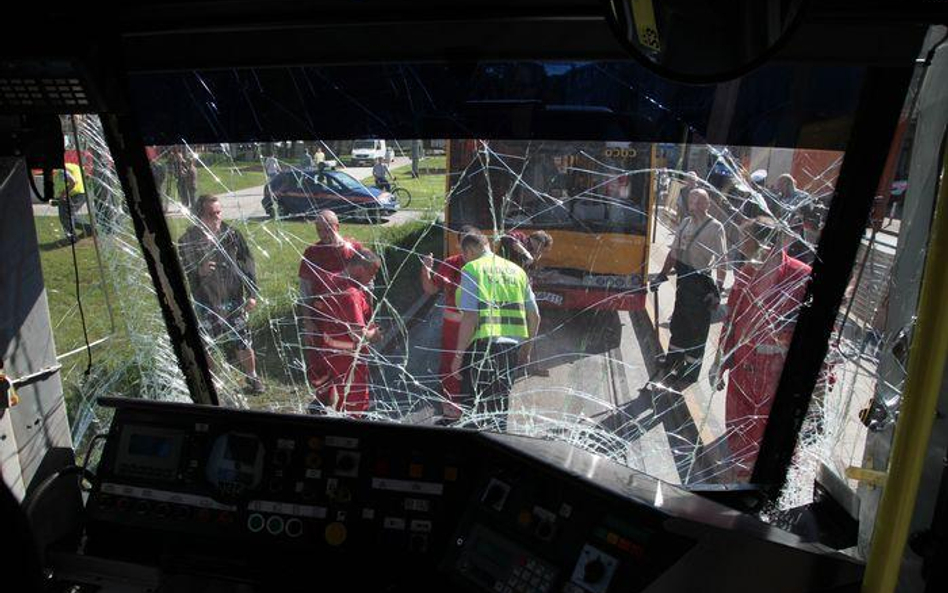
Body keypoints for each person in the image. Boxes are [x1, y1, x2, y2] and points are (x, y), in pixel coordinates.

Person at [710, 216, 812, 479]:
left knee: (773, 435)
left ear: (763, 243)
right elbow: (731, 320)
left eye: (747, 241)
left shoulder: (801, 276)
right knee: (739, 428)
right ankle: (743, 477)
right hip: (744, 371)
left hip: (777, 377)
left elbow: (818, 332)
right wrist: (719, 361)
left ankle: (772, 481)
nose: (742, 247)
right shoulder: (746, 273)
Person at [450, 233, 541, 431]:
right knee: (499, 408)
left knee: (472, 409)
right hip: (509, 350)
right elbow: (535, 317)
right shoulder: (517, 271)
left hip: (481, 350)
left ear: (470, 250)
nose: (464, 259)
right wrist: (526, 350)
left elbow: (470, 318)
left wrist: (458, 356)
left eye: (464, 255)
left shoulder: (472, 269)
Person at [178, 195, 263, 394]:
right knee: (206, 344)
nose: (217, 217)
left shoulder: (232, 234)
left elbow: (247, 264)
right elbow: (184, 269)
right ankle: (213, 383)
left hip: (234, 298)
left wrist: (252, 293)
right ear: (199, 216)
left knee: (243, 339)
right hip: (206, 301)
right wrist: (199, 271)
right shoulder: (188, 240)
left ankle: (252, 377)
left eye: (219, 212)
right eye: (211, 214)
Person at [653, 188, 727, 386]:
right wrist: (661, 275)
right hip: (684, 282)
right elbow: (674, 252)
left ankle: (690, 372)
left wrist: (717, 291)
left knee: (697, 330)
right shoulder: (685, 223)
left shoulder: (716, 227)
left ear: (707, 204)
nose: (693, 205)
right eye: (691, 201)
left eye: (698, 202)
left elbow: (722, 262)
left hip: (701, 285)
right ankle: (673, 360)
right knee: (679, 323)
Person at [307, 248, 382, 415]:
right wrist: (374, 334)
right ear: (360, 269)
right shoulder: (351, 294)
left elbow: (316, 307)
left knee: (340, 391)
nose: (373, 278)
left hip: (329, 348)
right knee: (355, 396)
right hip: (349, 355)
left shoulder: (329, 278)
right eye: (372, 273)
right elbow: (358, 334)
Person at [298, 209, 365, 389]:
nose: (324, 234)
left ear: (337, 226)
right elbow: (304, 291)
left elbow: (368, 287)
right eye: (319, 230)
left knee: (349, 364)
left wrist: (366, 319)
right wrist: (308, 322)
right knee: (319, 364)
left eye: (328, 229)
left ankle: (351, 405)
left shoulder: (355, 250)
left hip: (349, 321)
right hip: (321, 319)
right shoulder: (312, 253)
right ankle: (322, 402)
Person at [419, 225, 481, 418]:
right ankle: (451, 404)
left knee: (475, 364)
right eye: (462, 242)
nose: (465, 249)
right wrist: (426, 270)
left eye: (469, 243)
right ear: (458, 243)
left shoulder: (485, 265)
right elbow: (431, 289)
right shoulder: (450, 263)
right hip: (454, 324)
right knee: (450, 364)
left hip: (479, 324)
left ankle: (474, 403)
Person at [58, 161, 88, 243]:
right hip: (82, 193)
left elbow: (73, 182)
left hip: (73, 194)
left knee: (65, 216)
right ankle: (89, 229)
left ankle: (72, 238)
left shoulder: (61, 168)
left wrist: (64, 193)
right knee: (71, 216)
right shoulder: (74, 166)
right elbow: (86, 176)